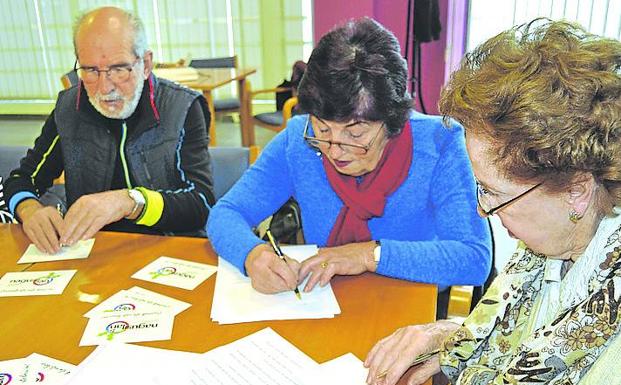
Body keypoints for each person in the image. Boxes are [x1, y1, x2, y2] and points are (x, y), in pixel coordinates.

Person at [364, 19, 621, 385]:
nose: (483, 210)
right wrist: (448, 337)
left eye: (495, 194)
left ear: (575, 191)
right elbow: (527, 336)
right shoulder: (548, 248)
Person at [207, 17, 491, 295]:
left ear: (392, 120)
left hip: (409, 304)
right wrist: (253, 254)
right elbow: (227, 213)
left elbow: (474, 257)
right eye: (322, 128)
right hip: (324, 298)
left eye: (355, 134)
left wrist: (368, 255)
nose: (334, 149)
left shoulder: (439, 143)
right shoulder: (299, 141)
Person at [4, 7, 214, 254]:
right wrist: (29, 209)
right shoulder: (70, 108)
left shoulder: (182, 107)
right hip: (95, 253)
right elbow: (22, 178)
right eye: (90, 70)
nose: (104, 87)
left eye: (118, 69)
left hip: (170, 249)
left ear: (145, 64)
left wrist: (131, 201)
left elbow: (201, 204)